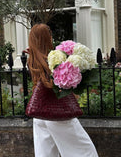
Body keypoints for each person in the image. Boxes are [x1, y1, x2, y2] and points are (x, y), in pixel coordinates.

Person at [27, 23, 99, 157]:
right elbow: (59, 84)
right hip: (57, 113)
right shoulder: (54, 59)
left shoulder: (32, 60)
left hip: (40, 114)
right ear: (48, 37)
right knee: (84, 150)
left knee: (45, 153)